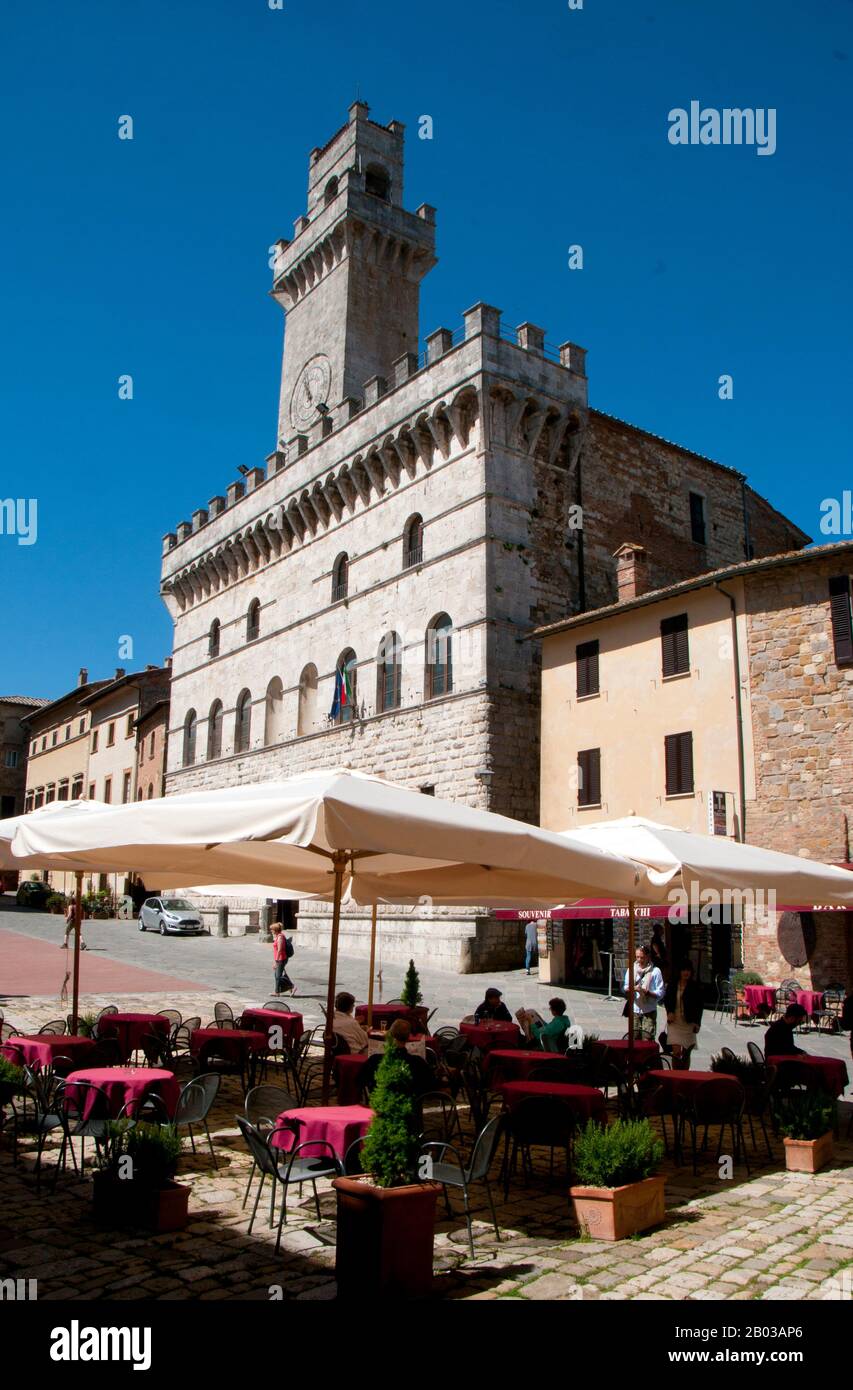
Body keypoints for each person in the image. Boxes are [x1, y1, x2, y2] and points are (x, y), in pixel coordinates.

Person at [361, 1019, 435, 1098]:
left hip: (381, 1107)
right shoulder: (418, 1062)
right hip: (409, 1108)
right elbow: (430, 1086)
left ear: (390, 1035)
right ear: (408, 1038)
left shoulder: (374, 1060)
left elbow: (360, 1081)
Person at [663, 960, 703, 1069]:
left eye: (688, 970)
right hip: (675, 1022)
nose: (686, 973)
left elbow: (699, 1006)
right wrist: (669, 1012)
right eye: (684, 970)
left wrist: (697, 1023)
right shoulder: (673, 984)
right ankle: (675, 1074)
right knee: (676, 1053)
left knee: (686, 1054)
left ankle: (685, 1074)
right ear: (679, 972)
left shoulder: (694, 986)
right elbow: (667, 1000)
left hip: (688, 1023)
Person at [623, 945, 665, 1041]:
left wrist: (648, 993)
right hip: (635, 1009)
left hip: (649, 1010)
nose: (639, 960)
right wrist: (633, 988)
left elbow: (661, 992)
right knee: (633, 1038)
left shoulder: (655, 971)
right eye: (637, 957)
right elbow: (625, 987)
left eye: (642, 957)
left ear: (647, 957)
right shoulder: (632, 969)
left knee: (647, 1038)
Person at [271, 923, 294, 995]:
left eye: (272, 929)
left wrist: (276, 961)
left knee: (278, 976)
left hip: (281, 959)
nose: (271, 931)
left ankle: (290, 986)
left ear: (275, 930)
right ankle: (280, 990)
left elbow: (280, 950)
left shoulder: (280, 937)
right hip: (280, 959)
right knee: (277, 975)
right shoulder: (278, 936)